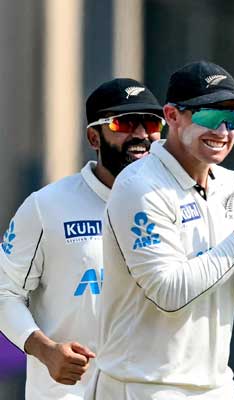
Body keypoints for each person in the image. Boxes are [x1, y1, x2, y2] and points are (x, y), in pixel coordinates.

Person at [87, 61, 234, 399]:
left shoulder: (231, 185)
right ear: (172, 116)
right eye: (208, 115)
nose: (222, 130)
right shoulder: (138, 186)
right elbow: (169, 294)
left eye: (233, 118)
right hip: (143, 384)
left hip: (216, 384)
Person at [0, 78, 163, 399]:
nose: (141, 134)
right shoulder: (47, 206)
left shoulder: (172, 203)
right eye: (125, 122)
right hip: (68, 393)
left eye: (151, 122)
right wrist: (46, 351)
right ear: (94, 137)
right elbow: (4, 292)